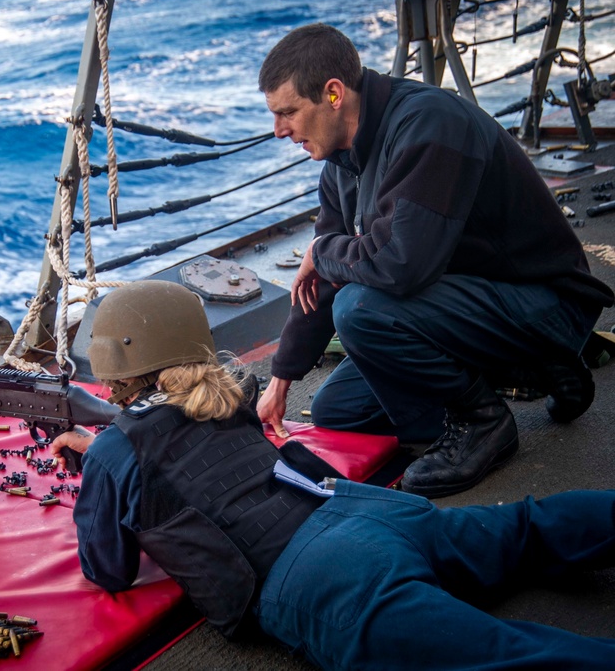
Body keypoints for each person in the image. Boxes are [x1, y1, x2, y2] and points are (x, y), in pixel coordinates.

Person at [57, 279, 615, 671]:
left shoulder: (114, 454)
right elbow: (184, 443)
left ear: (116, 370)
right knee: (527, 529)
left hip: (323, 577)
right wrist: (109, 453)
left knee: (504, 655)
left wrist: (99, 471)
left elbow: (108, 569)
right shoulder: (224, 399)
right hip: (365, 509)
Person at [254, 23, 613, 497]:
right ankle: (533, 369)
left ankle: (482, 424)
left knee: (361, 308)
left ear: (334, 94)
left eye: (288, 113)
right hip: (468, 304)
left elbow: (400, 267)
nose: (280, 131)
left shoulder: (428, 124)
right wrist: (281, 379)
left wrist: (322, 252)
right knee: (338, 411)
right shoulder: (342, 162)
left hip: (544, 302)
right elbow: (319, 282)